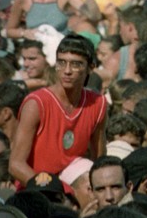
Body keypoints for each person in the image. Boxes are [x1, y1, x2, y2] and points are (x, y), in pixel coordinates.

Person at [9, 33, 107, 183]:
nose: (67, 71)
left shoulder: (97, 104)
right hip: (36, 187)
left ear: (90, 68)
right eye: (61, 63)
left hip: (75, 185)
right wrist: (52, 189)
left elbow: (100, 160)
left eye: (76, 64)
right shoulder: (37, 104)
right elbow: (16, 165)